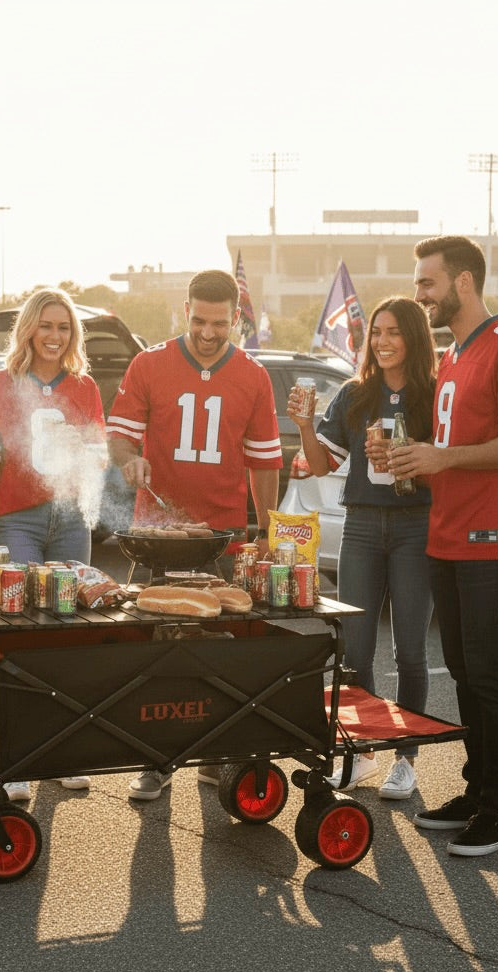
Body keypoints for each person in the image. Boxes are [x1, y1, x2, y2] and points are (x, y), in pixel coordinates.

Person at [387, 235, 498, 857]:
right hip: (449, 536)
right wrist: (412, 459)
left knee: (488, 674)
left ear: (462, 283)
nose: (418, 294)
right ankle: (476, 792)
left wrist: (445, 455)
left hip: (494, 537)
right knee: (463, 671)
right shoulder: (453, 355)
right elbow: (449, 456)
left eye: (427, 283)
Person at [107, 269, 282, 801]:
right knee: (156, 652)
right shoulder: (149, 362)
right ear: (186, 311)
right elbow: (119, 438)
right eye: (200, 321)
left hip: (223, 537)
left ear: (237, 318)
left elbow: (264, 462)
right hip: (159, 534)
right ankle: (157, 759)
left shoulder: (253, 375)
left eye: (220, 323)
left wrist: (266, 531)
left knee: (221, 654)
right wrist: (130, 461)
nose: (208, 333)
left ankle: (214, 754)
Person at [288, 297, 437, 799]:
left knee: (411, 650)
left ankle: (406, 758)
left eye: (394, 332)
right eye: (377, 332)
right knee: (354, 649)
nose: (384, 341)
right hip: (363, 528)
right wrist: (306, 426)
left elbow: (450, 462)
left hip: (418, 526)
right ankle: (361, 754)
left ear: (414, 337)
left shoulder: (434, 394)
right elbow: (322, 464)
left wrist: (407, 455)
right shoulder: (355, 392)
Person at [0, 287, 108, 800]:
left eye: (64, 327)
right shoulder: (0, 385)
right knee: (20, 632)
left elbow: (96, 466)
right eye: (46, 325)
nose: (54, 336)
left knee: (68, 635)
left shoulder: (86, 387)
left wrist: (84, 460)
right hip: (17, 523)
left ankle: (62, 750)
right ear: (28, 328)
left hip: (70, 521)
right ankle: (20, 755)